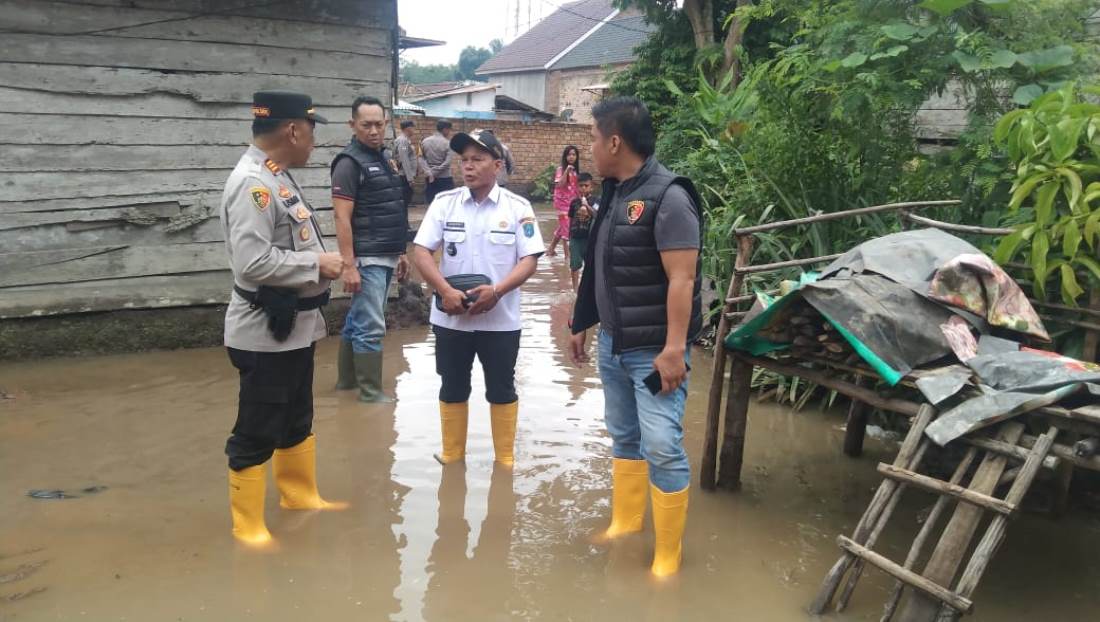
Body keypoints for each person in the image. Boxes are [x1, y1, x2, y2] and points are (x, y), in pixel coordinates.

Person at [568, 96, 704, 578]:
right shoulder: (613, 193)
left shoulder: (670, 197)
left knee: (661, 443)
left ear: (614, 142)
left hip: (654, 353)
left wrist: (674, 350)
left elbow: (683, 279)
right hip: (613, 344)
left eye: (592, 137)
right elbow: (600, 267)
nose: (589, 147)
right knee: (624, 435)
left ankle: (668, 553)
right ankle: (626, 523)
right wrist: (582, 322)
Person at [220, 90, 348, 548]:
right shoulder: (252, 184)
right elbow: (252, 263)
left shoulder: (277, 176)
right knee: (258, 426)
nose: (314, 141)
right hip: (263, 333)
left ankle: (299, 496)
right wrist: (318, 264)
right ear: (293, 130)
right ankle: (248, 526)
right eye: (311, 130)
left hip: (294, 328)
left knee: (296, 417)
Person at [411, 129, 544, 467]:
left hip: (501, 321)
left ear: (497, 165)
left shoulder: (518, 208)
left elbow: (529, 259)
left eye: (477, 160)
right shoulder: (444, 203)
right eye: (464, 160)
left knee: (502, 389)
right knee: (452, 385)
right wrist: (444, 291)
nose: (468, 166)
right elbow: (421, 251)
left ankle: (505, 461)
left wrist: (497, 291)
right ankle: (452, 456)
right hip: (451, 318)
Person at [330, 96, 410, 403]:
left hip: (386, 252)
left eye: (379, 124)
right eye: (366, 125)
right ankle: (370, 393)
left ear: (386, 123)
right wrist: (348, 264)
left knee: (357, 321)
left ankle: (347, 384)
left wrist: (401, 251)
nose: (374, 131)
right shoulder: (348, 164)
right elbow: (342, 217)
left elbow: (391, 206)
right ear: (352, 125)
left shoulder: (385, 158)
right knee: (371, 325)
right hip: (367, 257)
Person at [546, 145, 580, 259]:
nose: (571, 157)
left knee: (564, 226)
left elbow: (576, 189)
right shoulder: (560, 170)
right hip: (561, 203)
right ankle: (567, 258)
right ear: (565, 157)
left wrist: (581, 201)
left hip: (572, 204)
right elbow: (560, 184)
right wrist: (566, 171)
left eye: (574, 154)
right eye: (569, 154)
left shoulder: (576, 172)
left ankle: (551, 249)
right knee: (567, 230)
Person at [567, 172, 597, 291]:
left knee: (590, 265)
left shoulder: (595, 201)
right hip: (575, 238)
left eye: (586, 185)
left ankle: (588, 288)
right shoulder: (574, 202)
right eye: (581, 186)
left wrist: (586, 205)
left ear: (591, 187)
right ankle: (575, 290)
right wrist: (569, 236)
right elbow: (571, 219)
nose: (583, 188)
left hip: (589, 238)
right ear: (577, 187)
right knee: (575, 264)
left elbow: (597, 215)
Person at [421, 119, 455, 205]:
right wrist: (436, 170)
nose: (449, 132)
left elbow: (421, 158)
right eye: (449, 130)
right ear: (445, 129)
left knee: (432, 203)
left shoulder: (424, 141)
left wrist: (429, 172)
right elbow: (447, 162)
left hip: (430, 178)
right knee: (447, 203)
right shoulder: (448, 143)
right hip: (445, 177)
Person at [393, 119, 419, 206]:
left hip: (405, 175)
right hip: (404, 176)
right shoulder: (403, 140)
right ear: (408, 128)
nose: (414, 130)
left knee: (405, 201)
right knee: (404, 201)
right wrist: (410, 179)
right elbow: (404, 159)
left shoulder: (405, 140)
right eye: (413, 128)